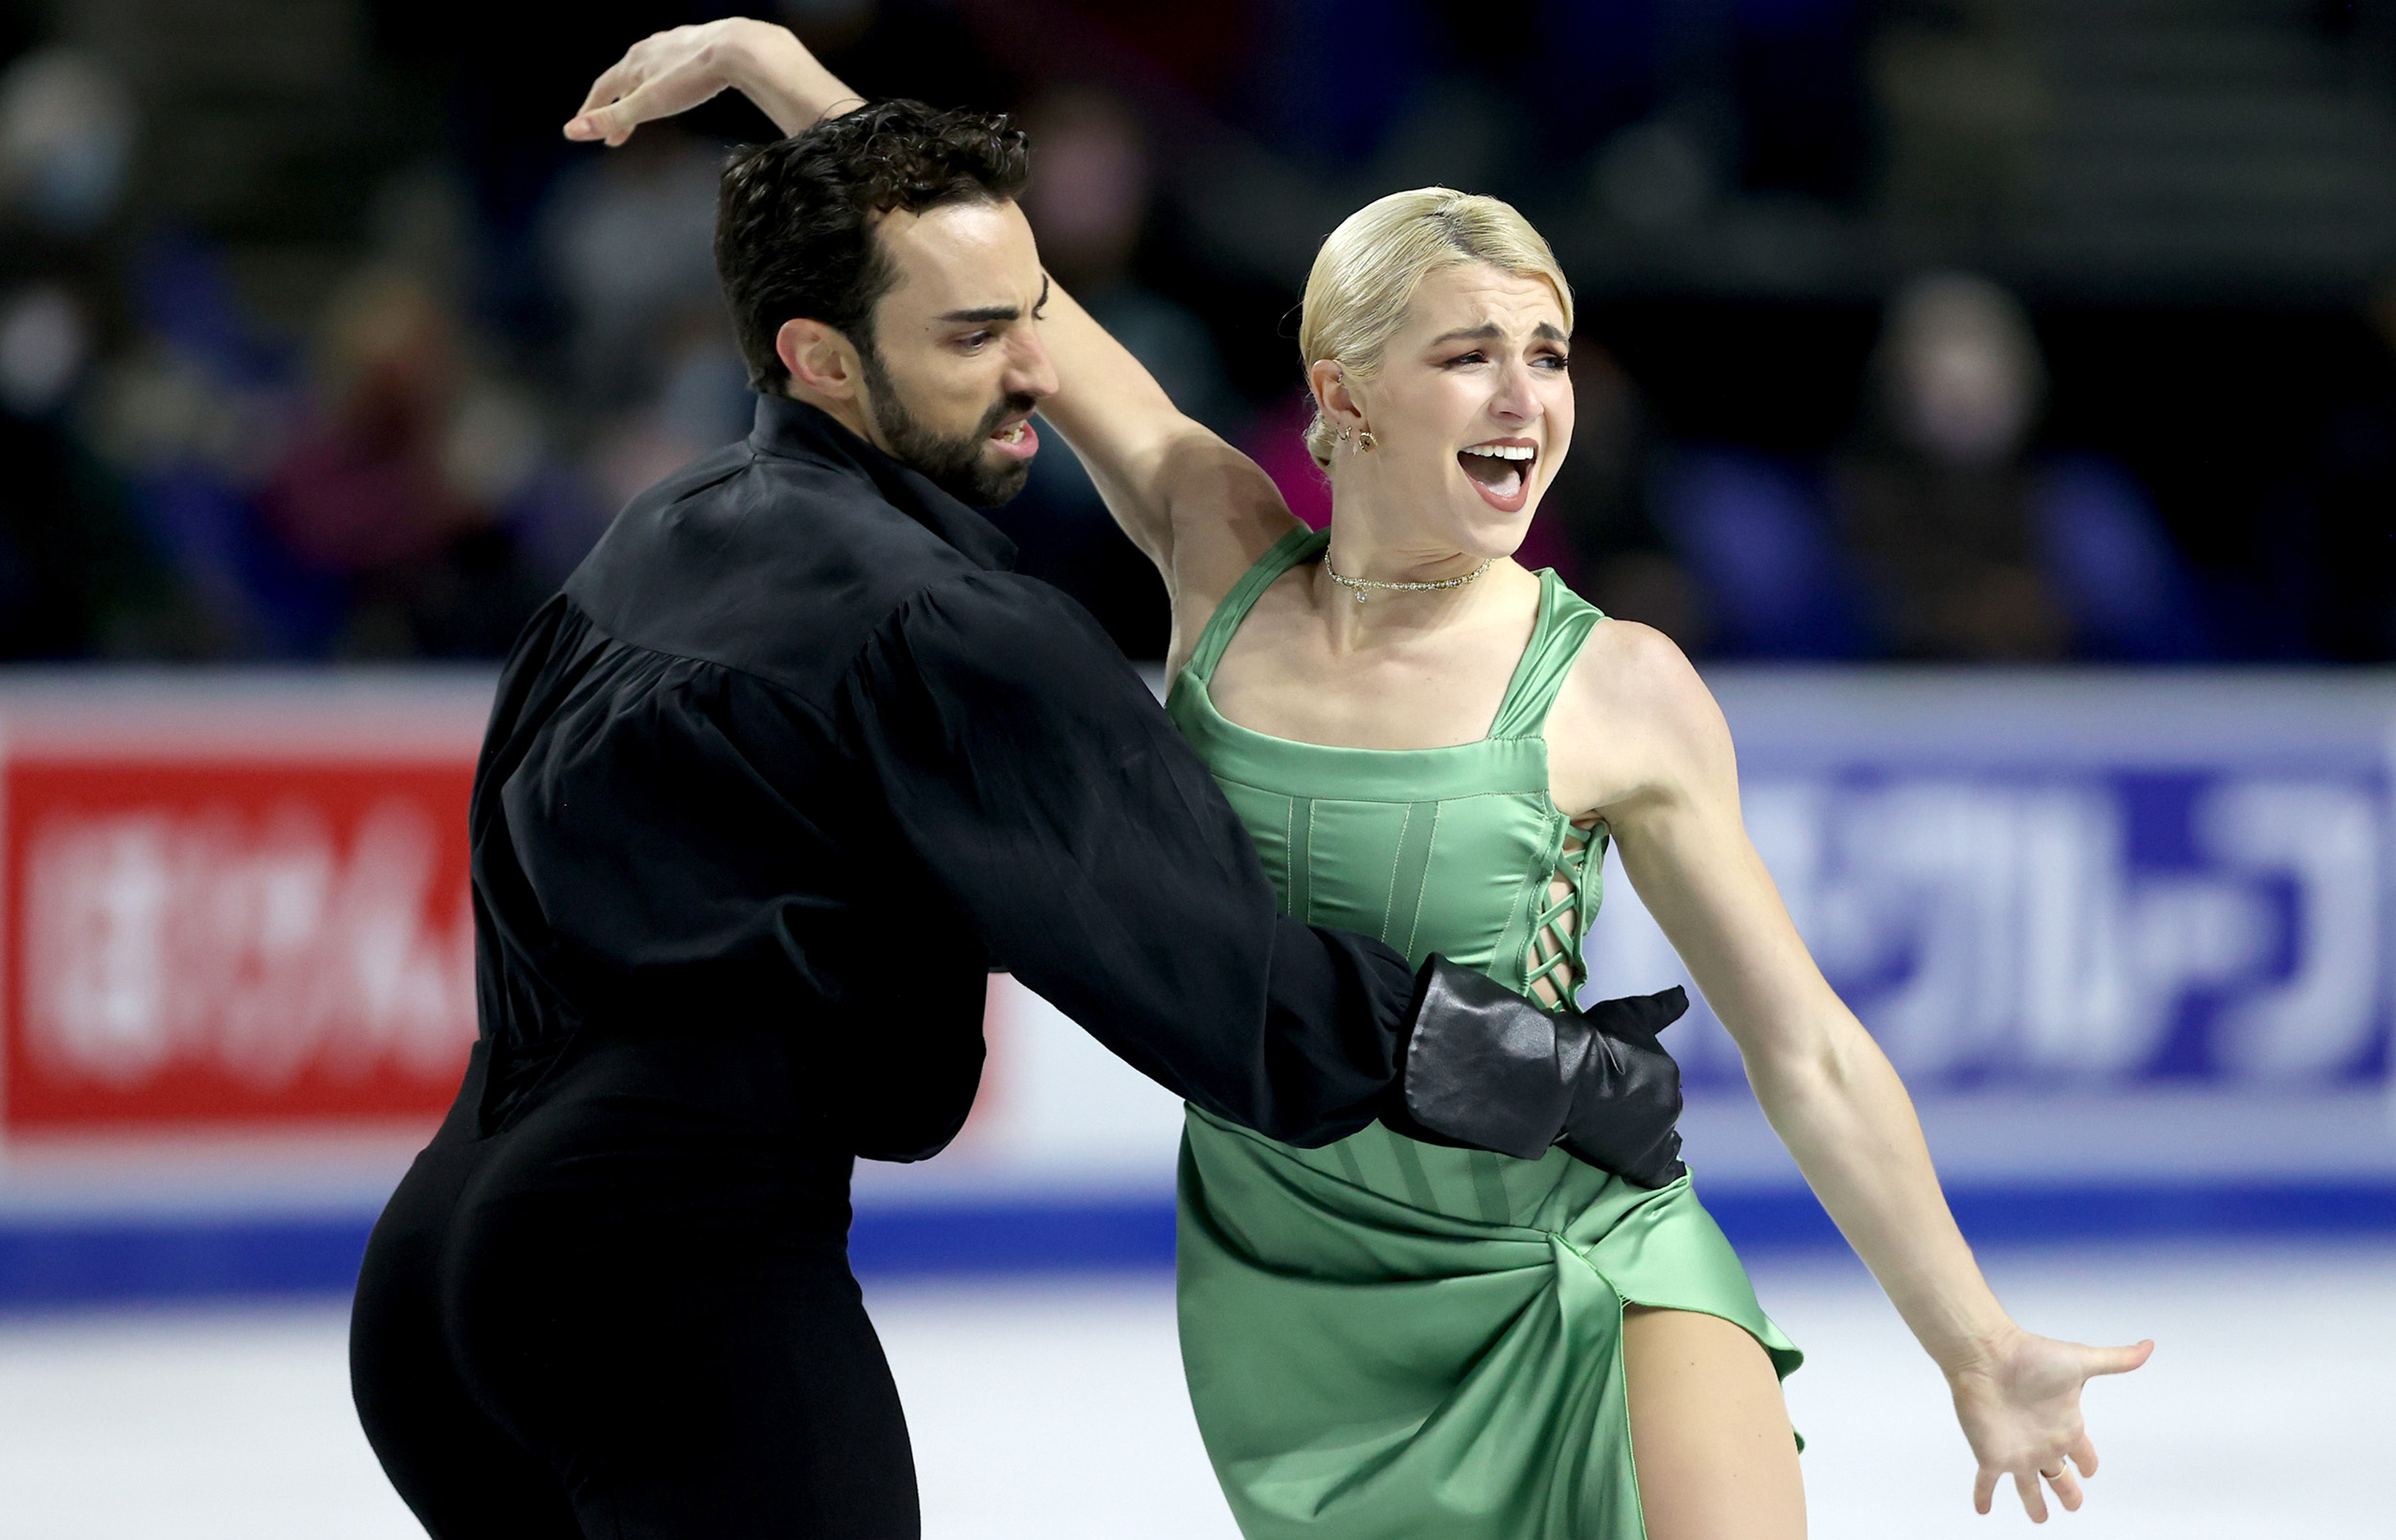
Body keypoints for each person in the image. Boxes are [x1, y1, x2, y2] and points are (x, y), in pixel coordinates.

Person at [587, 19, 2160, 1540]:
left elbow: (1804, 1047)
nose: (1526, 400)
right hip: (1301, 1320)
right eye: (1469, 355)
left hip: (1583, 1268)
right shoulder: (1219, 554)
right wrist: (777, 72)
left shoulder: (1619, 686)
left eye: (1545, 355)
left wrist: (1975, 1341)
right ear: (1340, 397)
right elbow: (1018, 302)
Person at [348, 29, 1692, 1540]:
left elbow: (900, 252)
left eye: (1028, 317)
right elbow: (1221, 984)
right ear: (820, 358)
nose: (1038, 370)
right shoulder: (951, 628)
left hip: (441, 1271)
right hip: (671, 1285)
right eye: (976, 337)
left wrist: (795, 84)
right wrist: (1560, 1073)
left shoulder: (664, 533)